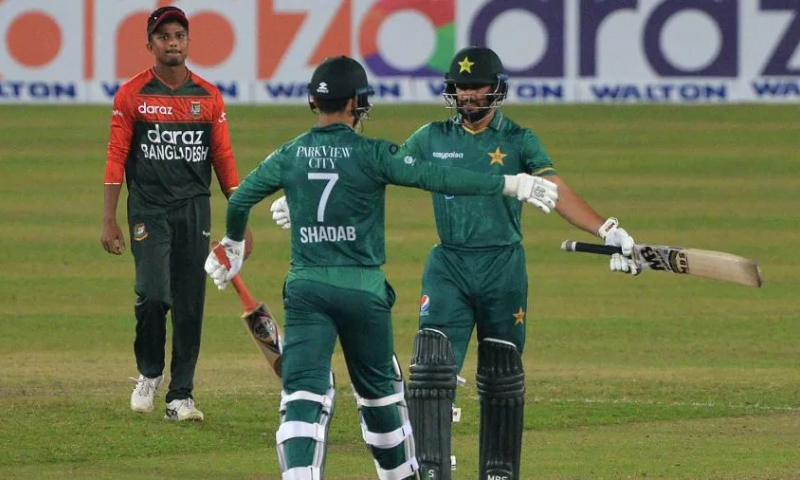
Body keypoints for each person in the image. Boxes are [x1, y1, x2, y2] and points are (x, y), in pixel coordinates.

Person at [269, 47, 640, 479]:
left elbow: (556, 191)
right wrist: (306, 199)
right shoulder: (431, 137)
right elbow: (377, 168)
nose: (468, 95)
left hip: (503, 267)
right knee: (431, 370)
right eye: (461, 87)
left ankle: (499, 473)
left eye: (476, 87)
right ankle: (429, 470)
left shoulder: (519, 140)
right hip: (449, 266)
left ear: (496, 89)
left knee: (501, 373)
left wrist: (606, 230)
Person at [203, 55, 558, 480]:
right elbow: (438, 177)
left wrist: (234, 244)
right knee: (380, 397)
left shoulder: (291, 153)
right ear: (356, 103)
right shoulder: (372, 153)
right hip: (363, 293)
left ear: (314, 102)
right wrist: (510, 182)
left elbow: (241, 198)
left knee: (302, 394)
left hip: (306, 290)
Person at [100, 6, 252, 422]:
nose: (172, 43)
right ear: (149, 44)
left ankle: (180, 396)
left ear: (188, 42)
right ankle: (149, 372)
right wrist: (109, 218)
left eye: (179, 36)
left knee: (189, 304)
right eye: (163, 36)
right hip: (148, 207)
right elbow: (116, 155)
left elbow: (223, 158)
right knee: (153, 294)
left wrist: (239, 220)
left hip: (193, 208)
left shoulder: (208, 96)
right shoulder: (131, 94)